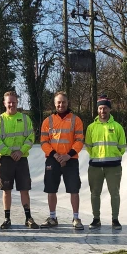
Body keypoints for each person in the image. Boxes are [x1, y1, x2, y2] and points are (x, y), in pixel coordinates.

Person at [0, 90, 39, 230]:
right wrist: (10, 152)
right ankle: (7, 219)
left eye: (14, 102)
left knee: (24, 189)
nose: (11, 104)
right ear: (4, 103)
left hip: (21, 159)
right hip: (5, 160)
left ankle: (28, 218)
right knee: (6, 190)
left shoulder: (25, 119)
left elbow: (31, 137)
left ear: (17, 102)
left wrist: (21, 151)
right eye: (9, 102)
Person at [39, 91, 85, 230]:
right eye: (58, 102)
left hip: (70, 159)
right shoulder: (48, 121)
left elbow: (79, 140)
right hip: (53, 159)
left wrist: (68, 155)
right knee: (51, 189)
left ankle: (76, 218)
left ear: (67, 102)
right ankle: (52, 217)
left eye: (63, 102)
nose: (61, 104)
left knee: (74, 189)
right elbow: (43, 142)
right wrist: (55, 155)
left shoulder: (76, 120)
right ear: (54, 103)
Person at [84, 95, 126, 230]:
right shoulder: (91, 127)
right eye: (100, 108)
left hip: (113, 167)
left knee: (115, 193)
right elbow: (88, 146)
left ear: (110, 109)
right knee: (95, 193)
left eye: (105, 108)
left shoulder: (117, 126)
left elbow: (122, 146)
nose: (103, 111)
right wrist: (97, 158)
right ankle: (96, 219)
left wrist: (114, 156)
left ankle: (115, 219)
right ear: (97, 110)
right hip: (95, 167)